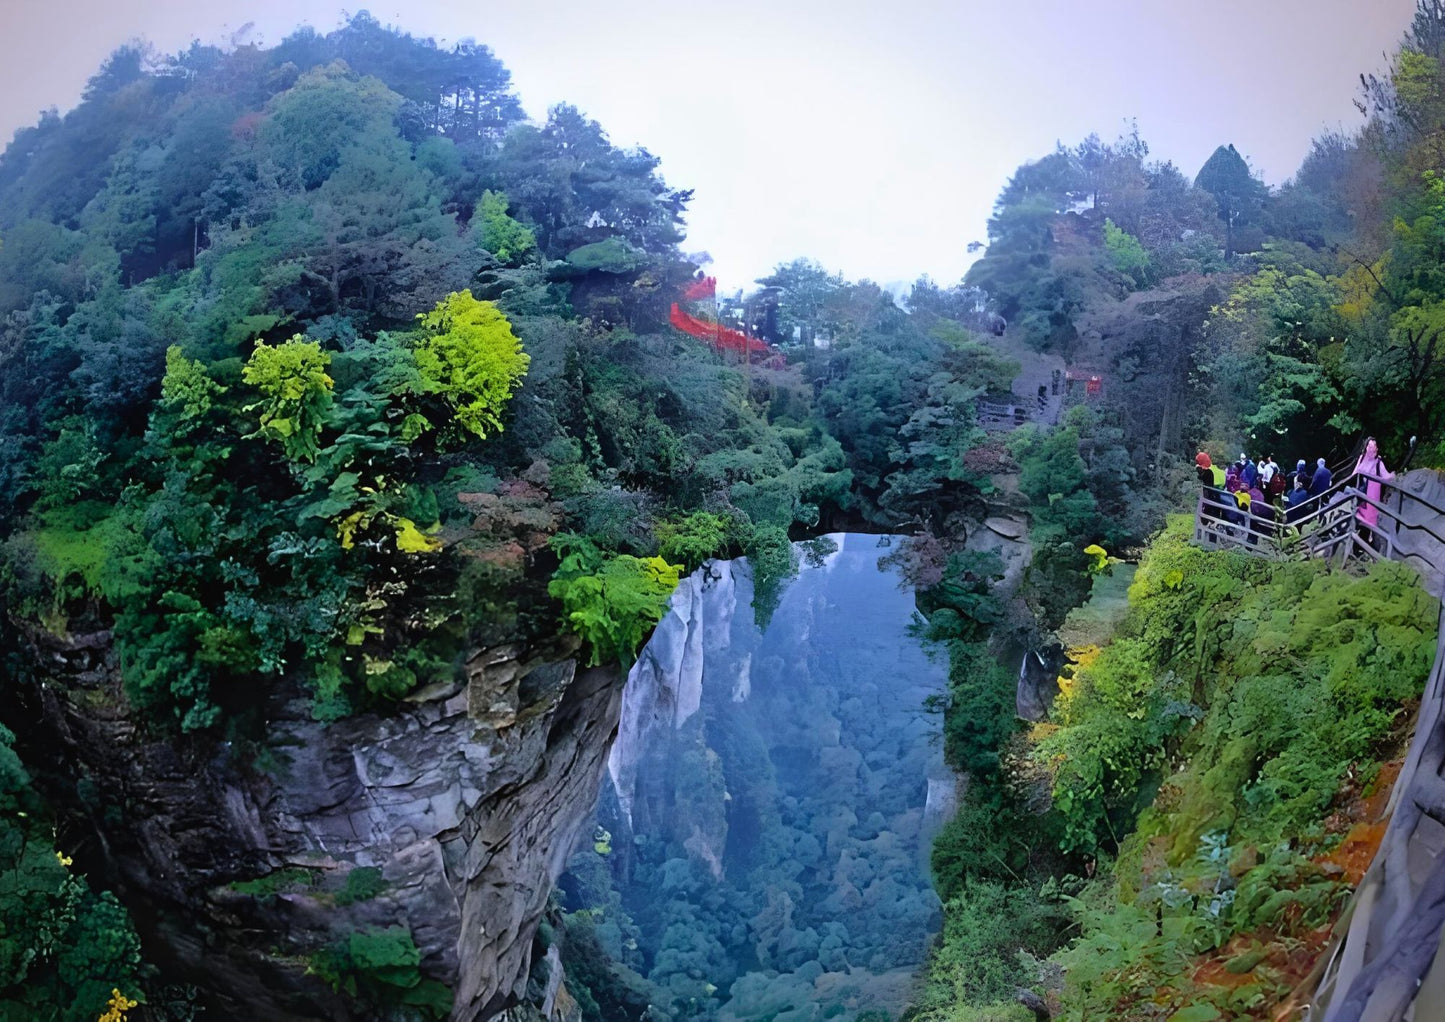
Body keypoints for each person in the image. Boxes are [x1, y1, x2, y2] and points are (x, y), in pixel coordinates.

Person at [1353, 436, 1395, 538]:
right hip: (1362, 494)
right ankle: (1357, 545)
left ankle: (1363, 544)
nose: (1372, 448)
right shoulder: (1362, 458)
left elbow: (1386, 476)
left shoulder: (1378, 462)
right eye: (1370, 446)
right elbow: (1354, 473)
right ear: (1366, 447)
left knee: (1368, 522)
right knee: (1358, 520)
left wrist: (1394, 475)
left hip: (1372, 497)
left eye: (1374, 446)